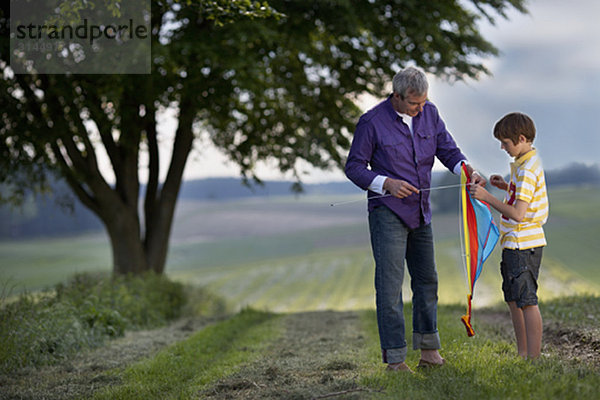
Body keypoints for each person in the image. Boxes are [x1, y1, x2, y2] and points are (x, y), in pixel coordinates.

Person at [345, 66, 484, 372]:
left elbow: (448, 150)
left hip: (422, 211)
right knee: (390, 286)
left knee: (427, 281)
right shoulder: (371, 122)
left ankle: (429, 352)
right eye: (413, 104)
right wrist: (386, 183)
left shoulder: (430, 113)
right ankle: (395, 360)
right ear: (396, 96)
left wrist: (466, 168)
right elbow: (354, 167)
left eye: (423, 103)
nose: (420, 109)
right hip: (387, 213)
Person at [470, 112, 549, 360]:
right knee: (514, 299)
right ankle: (523, 353)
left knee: (526, 301)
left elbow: (517, 213)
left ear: (521, 138)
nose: (502, 147)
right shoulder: (523, 165)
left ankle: (533, 359)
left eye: (505, 142)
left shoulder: (526, 170)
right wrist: (506, 187)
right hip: (515, 244)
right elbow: (523, 198)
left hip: (522, 245)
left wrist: (488, 198)